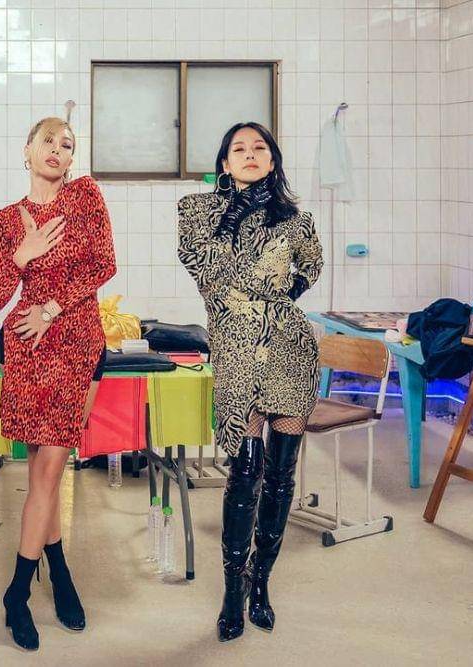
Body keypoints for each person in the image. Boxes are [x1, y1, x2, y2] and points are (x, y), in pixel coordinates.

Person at [177, 122, 323, 642]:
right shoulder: (198, 213)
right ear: (225, 164)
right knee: (244, 475)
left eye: (260, 148)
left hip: (289, 351)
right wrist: (260, 285)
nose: (250, 154)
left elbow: (311, 268)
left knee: (281, 477)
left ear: (273, 160)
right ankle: (231, 588)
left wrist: (268, 303)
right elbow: (207, 273)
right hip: (237, 356)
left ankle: (260, 582)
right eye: (239, 149)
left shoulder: (297, 221)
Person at [0, 117, 116, 651]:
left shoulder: (85, 198)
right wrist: (23, 253)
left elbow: (104, 264)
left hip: (74, 341)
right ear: (27, 150)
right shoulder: (6, 219)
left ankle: (17, 592)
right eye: (48, 141)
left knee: (49, 471)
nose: (58, 150)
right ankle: (58, 569)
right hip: (27, 348)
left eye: (67, 145)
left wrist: (53, 308)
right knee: (42, 471)